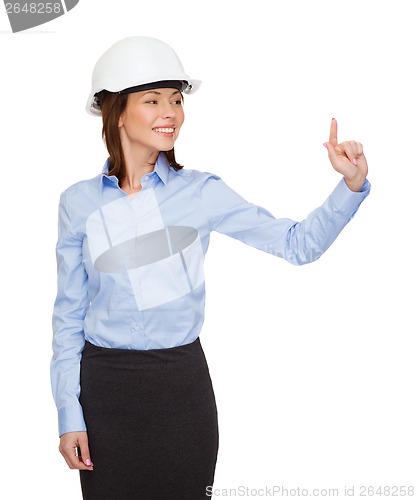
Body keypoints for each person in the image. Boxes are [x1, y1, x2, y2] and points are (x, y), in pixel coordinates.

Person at [51, 36, 370, 500]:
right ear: (117, 111)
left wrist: (351, 186)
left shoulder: (201, 193)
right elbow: (67, 317)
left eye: (177, 100)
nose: (171, 112)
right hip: (105, 392)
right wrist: (68, 414)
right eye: (154, 100)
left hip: (181, 389)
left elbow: (296, 244)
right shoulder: (77, 203)